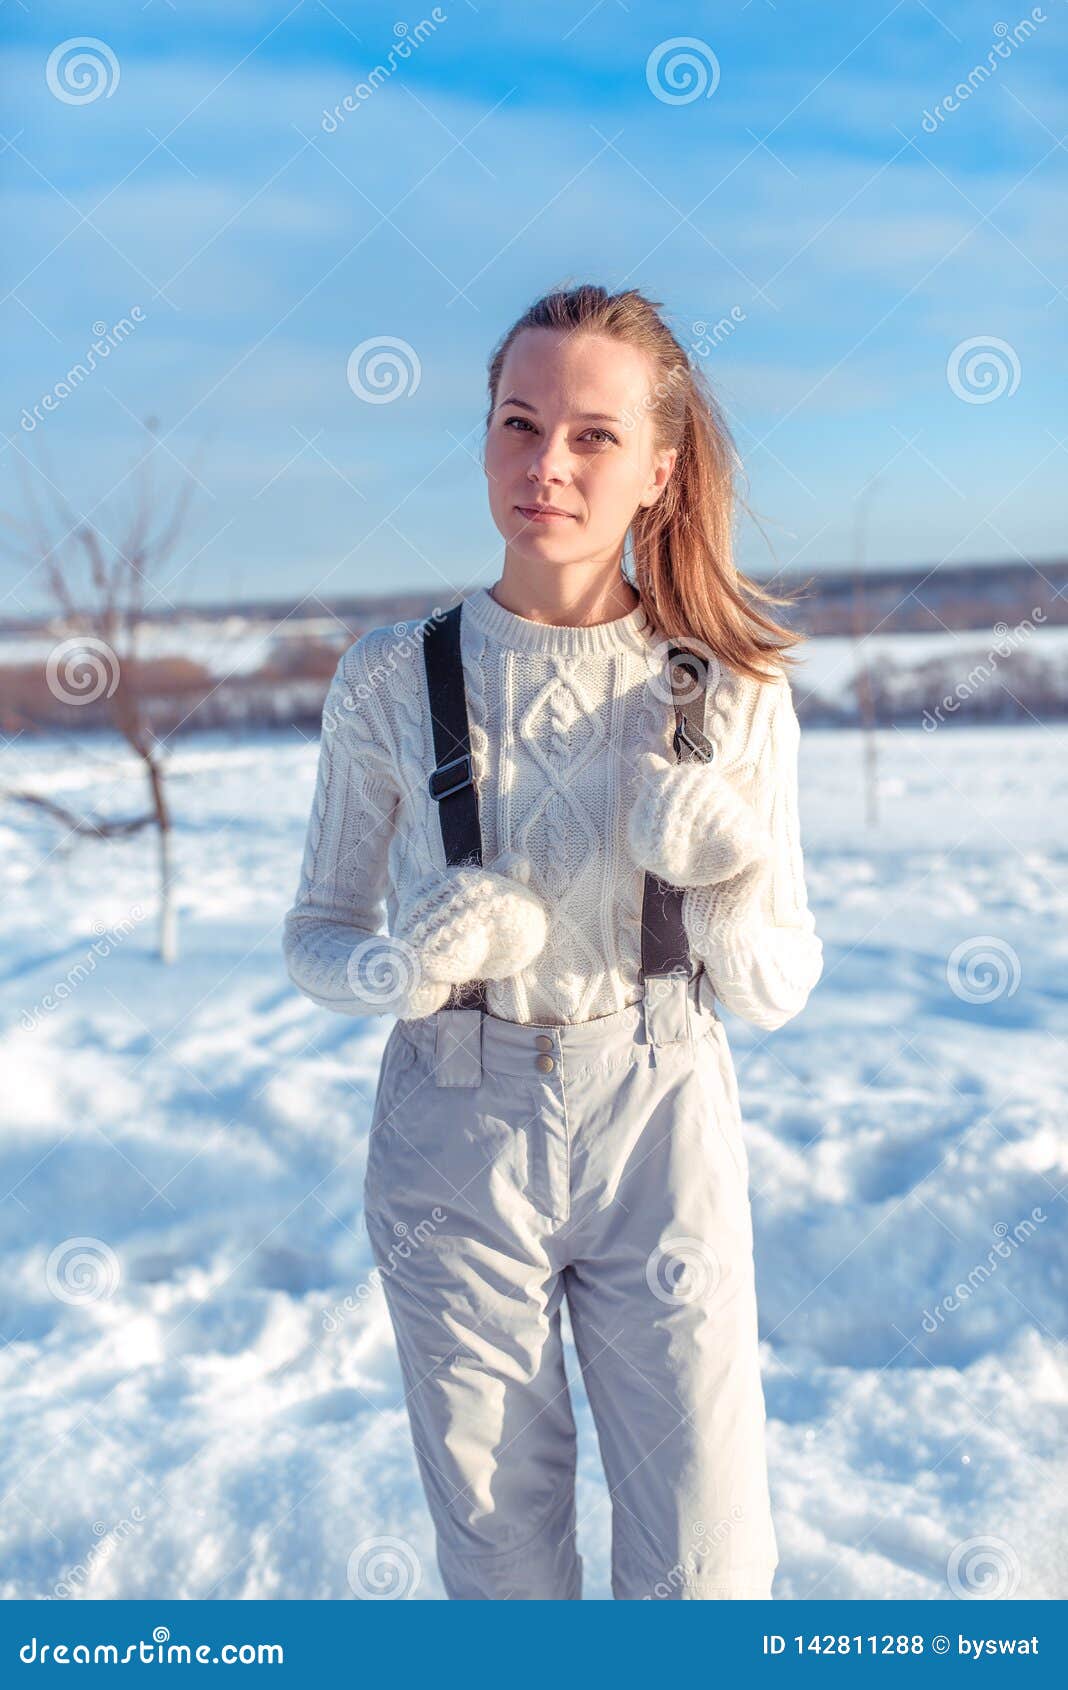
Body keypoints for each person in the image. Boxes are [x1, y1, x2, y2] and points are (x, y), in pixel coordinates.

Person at [283, 283, 823, 1601]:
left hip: (662, 1114)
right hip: (453, 1135)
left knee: (709, 1565)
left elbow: (774, 983)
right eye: (520, 424)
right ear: (485, 440)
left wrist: (731, 879)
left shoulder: (728, 688)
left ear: (659, 466)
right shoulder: (389, 676)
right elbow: (316, 933)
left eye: (591, 435)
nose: (547, 465)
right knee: (501, 1562)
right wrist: (400, 966)